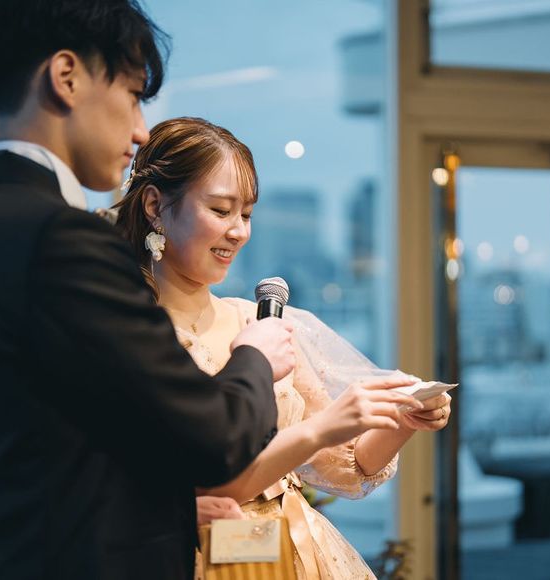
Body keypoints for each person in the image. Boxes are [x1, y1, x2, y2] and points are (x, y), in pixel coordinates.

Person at [0, 2, 300, 579]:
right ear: (66, 77)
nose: (140, 130)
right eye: (132, 96)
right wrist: (255, 354)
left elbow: (43, 447)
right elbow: (213, 437)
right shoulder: (62, 238)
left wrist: (168, 506)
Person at [115, 117, 453, 579]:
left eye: (246, 215)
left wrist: (399, 419)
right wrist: (324, 428)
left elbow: (347, 466)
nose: (238, 232)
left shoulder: (255, 322)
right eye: (220, 210)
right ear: (155, 205)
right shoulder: (132, 334)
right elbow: (182, 485)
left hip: (295, 550)